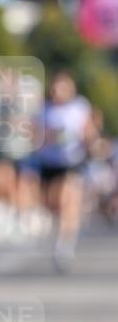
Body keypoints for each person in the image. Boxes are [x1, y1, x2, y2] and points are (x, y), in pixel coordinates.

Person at [35, 70, 96, 270]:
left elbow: (89, 131)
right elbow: (35, 134)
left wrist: (91, 142)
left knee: (68, 201)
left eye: (63, 86)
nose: (58, 91)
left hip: (73, 161)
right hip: (51, 163)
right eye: (55, 86)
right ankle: (62, 236)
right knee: (53, 204)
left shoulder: (79, 107)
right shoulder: (45, 109)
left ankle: (65, 246)